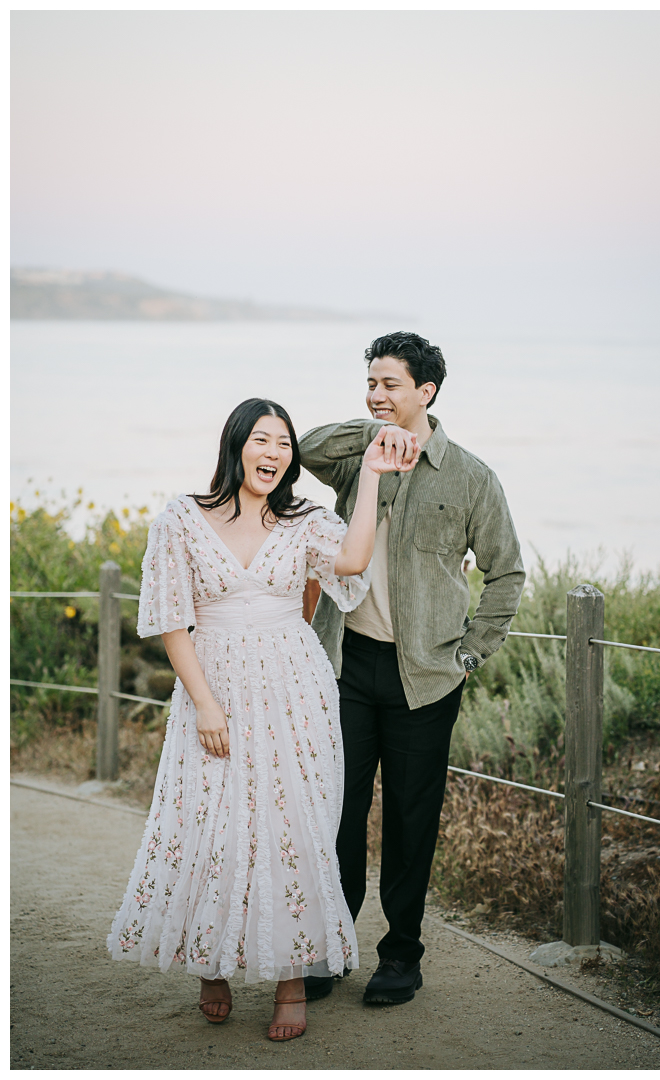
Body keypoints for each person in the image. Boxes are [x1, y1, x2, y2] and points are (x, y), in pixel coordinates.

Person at [107, 397, 418, 1041]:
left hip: (295, 687)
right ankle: (210, 965)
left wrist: (370, 479)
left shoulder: (304, 520)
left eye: (283, 444)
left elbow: (352, 563)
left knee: (292, 823)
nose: (274, 453)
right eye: (261, 440)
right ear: (235, 444)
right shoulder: (181, 519)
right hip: (211, 682)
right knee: (210, 823)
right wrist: (206, 704)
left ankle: (292, 981)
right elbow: (171, 620)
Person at [299, 332, 525, 1006]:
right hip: (346, 666)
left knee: (409, 820)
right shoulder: (354, 460)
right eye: (371, 382)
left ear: (426, 391)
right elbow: (305, 446)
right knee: (335, 816)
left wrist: (471, 651)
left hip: (425, 677)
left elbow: (507, 573)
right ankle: (330, 949)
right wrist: (372, 437)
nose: (376, 394)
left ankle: (400, 956)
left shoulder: (470, 477)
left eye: (390, 385)